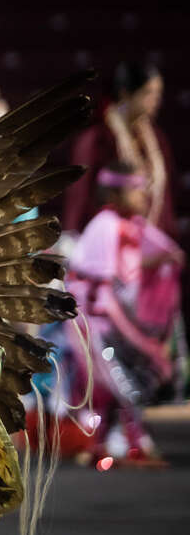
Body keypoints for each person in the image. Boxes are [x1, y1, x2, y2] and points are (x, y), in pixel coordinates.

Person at [63, 162, 183, 467]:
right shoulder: (105, 226)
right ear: (116, 192)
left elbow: (133, 271)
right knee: (122, 382)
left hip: (110, 320)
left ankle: (108, 443)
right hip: (95, 320)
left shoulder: (132, 226)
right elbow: (102, 291)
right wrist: (141, 340)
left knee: (117, 385)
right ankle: (127, 442)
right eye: (137, 189)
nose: (145, 195)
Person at [65, 61, 175, 236]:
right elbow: (80, 195)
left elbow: (163, 196)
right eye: (148, 93)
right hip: (108, 238)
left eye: (158, 94)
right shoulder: (98, 138)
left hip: (149, 236)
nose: (156, 101)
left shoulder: (156, 140)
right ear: (126, 94)